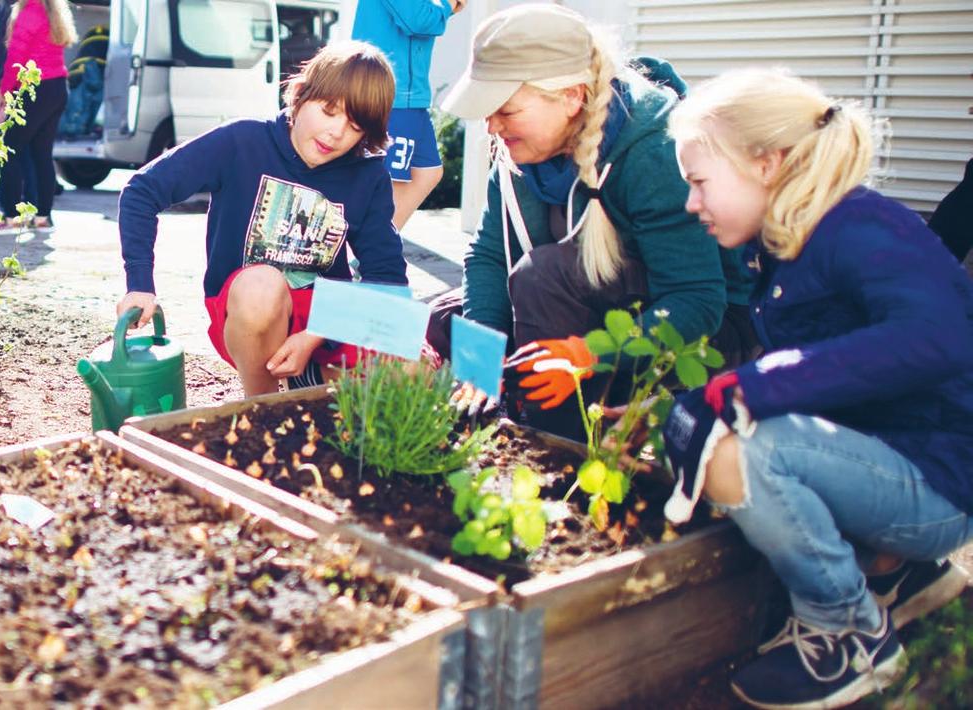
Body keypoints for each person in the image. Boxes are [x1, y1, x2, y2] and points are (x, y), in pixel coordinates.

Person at [660, 67, 973, 709]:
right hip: (904, 463)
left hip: (942, 479)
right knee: (730, 426)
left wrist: (758, 385)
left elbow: (941, 338)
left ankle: (849, 632)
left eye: (699, 182)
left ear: (768, 163)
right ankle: (895, 571)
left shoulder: (861, 228)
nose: (692, 204)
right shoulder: (792, 241)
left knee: (742, 451)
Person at [434, 4, 755, 437]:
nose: (492, 126)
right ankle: (503, 400)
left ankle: (558, 449)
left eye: (506, 111)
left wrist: (587, 354)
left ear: (571, 97)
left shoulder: (653, 151)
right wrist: (478, 363)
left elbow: (697, 300)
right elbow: (489, 255)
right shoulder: (519, 150)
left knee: (542, 278)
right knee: (447, 317)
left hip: (698, 334)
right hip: (590, 304)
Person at [117, 41, 407, 397]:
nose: (336, 132)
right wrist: (140, 283)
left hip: (327, 320)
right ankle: (262, 406)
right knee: (262, 284)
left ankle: (314, 385)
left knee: (412, 354)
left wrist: (315, 336)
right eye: (329, 111)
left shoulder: (367, 176)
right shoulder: (243, 143)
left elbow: (388, 279)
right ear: (300, 95)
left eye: (355, 125)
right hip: (249, 310)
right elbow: (141, 190)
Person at [352, 0, 466, 229]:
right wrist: (448, 5)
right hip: (391, 94)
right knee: (393, 183)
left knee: (429, 172)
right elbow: (417, 20)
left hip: (409, 97)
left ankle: (380, 242)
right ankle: (372, 252)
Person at [0, 0, 75, 233]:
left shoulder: (29, 11)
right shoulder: (55, 11)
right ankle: (43, 217)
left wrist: (4, 94)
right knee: (42, 154)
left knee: (9, 148)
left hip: (35, 87)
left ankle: (11, 216)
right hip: (57, 87)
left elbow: (15, 59)